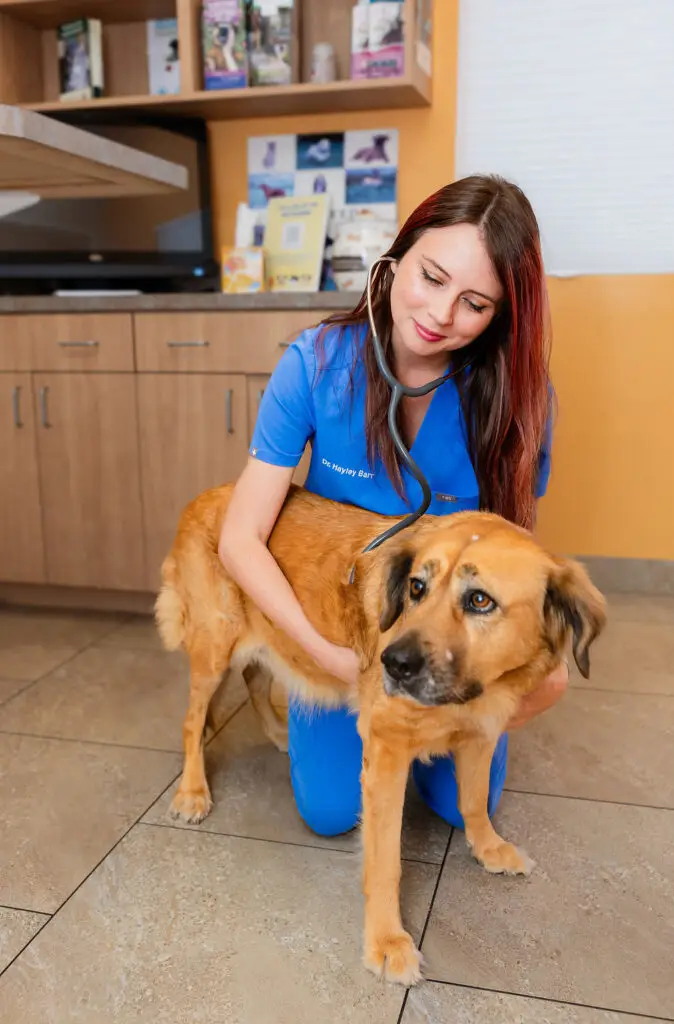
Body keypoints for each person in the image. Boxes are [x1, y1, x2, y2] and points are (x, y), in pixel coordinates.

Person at [219, 174, 567, 837]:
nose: (441, 315)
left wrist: (524, 677)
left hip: (444, 645)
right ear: (396, 256)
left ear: (499, 316)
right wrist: (327, 658)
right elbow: (240, 538)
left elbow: (513, 564)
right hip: (336, 631)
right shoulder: (316, 362)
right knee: (330, 813)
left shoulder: (519, 399)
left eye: (474, 303)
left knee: (459, 808)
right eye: (431, 277)